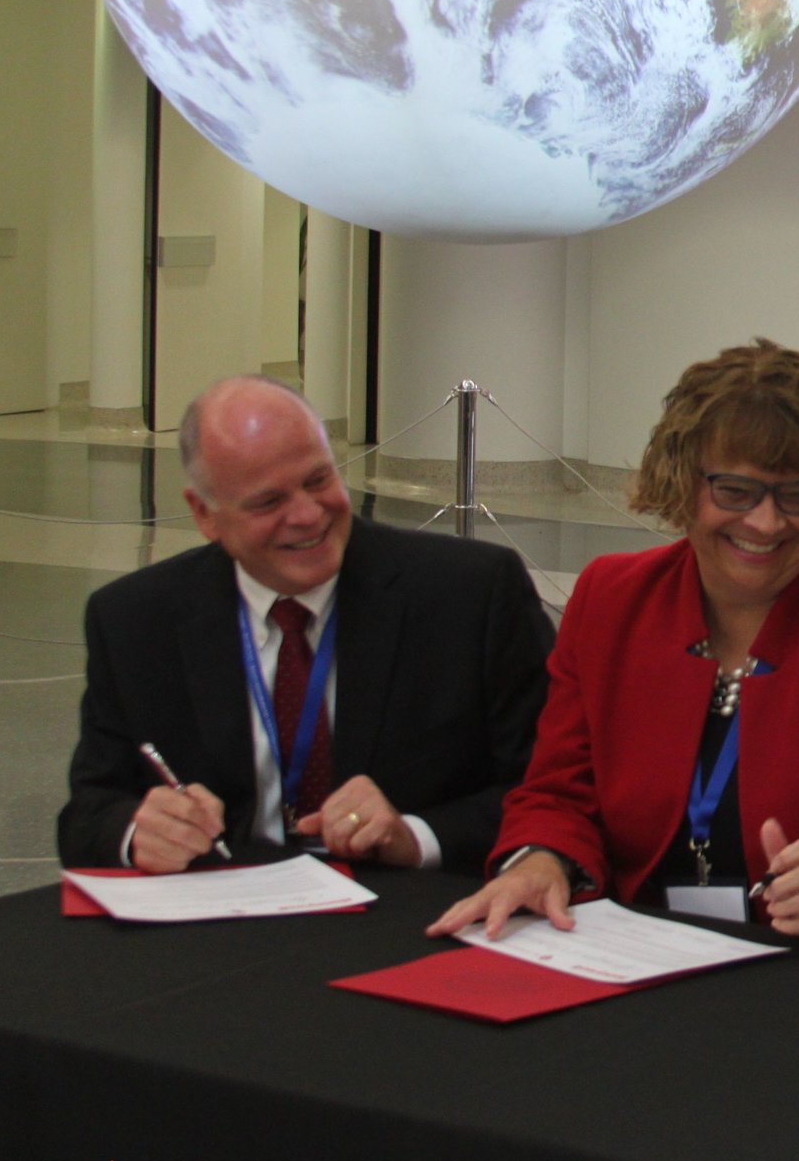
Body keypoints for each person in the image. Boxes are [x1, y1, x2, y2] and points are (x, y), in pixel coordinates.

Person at [430, 340, 799, 947]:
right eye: (735, 490)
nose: (766, 522)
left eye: (798, 494)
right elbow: (559, 792)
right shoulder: (610, 601)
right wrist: (543, 858)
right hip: (626, 955)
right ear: (682, 480)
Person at [59, 375, 553, 876]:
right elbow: (88, 814)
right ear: (205, 514)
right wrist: (138, 832)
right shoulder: (135, 621)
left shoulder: (470, 593)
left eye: (319, 480)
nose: (308, 515)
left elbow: (550, 792)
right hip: (219, 917)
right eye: (268, 502)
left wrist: (415, 836)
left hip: (406, 909)